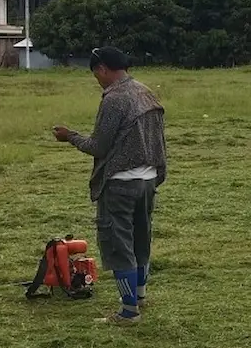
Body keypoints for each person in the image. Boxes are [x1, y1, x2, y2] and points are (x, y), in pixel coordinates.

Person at [53, 47, 167, 325]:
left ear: (102, 69)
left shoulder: (115, 99)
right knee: (142, 239)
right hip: (148, 178)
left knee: (120, 245)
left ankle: (128, 312)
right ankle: (139, 296)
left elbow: (99, 146)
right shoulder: (146, 92)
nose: (98, 81)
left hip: (120, 183)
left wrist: (70, 136)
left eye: (96, 75)